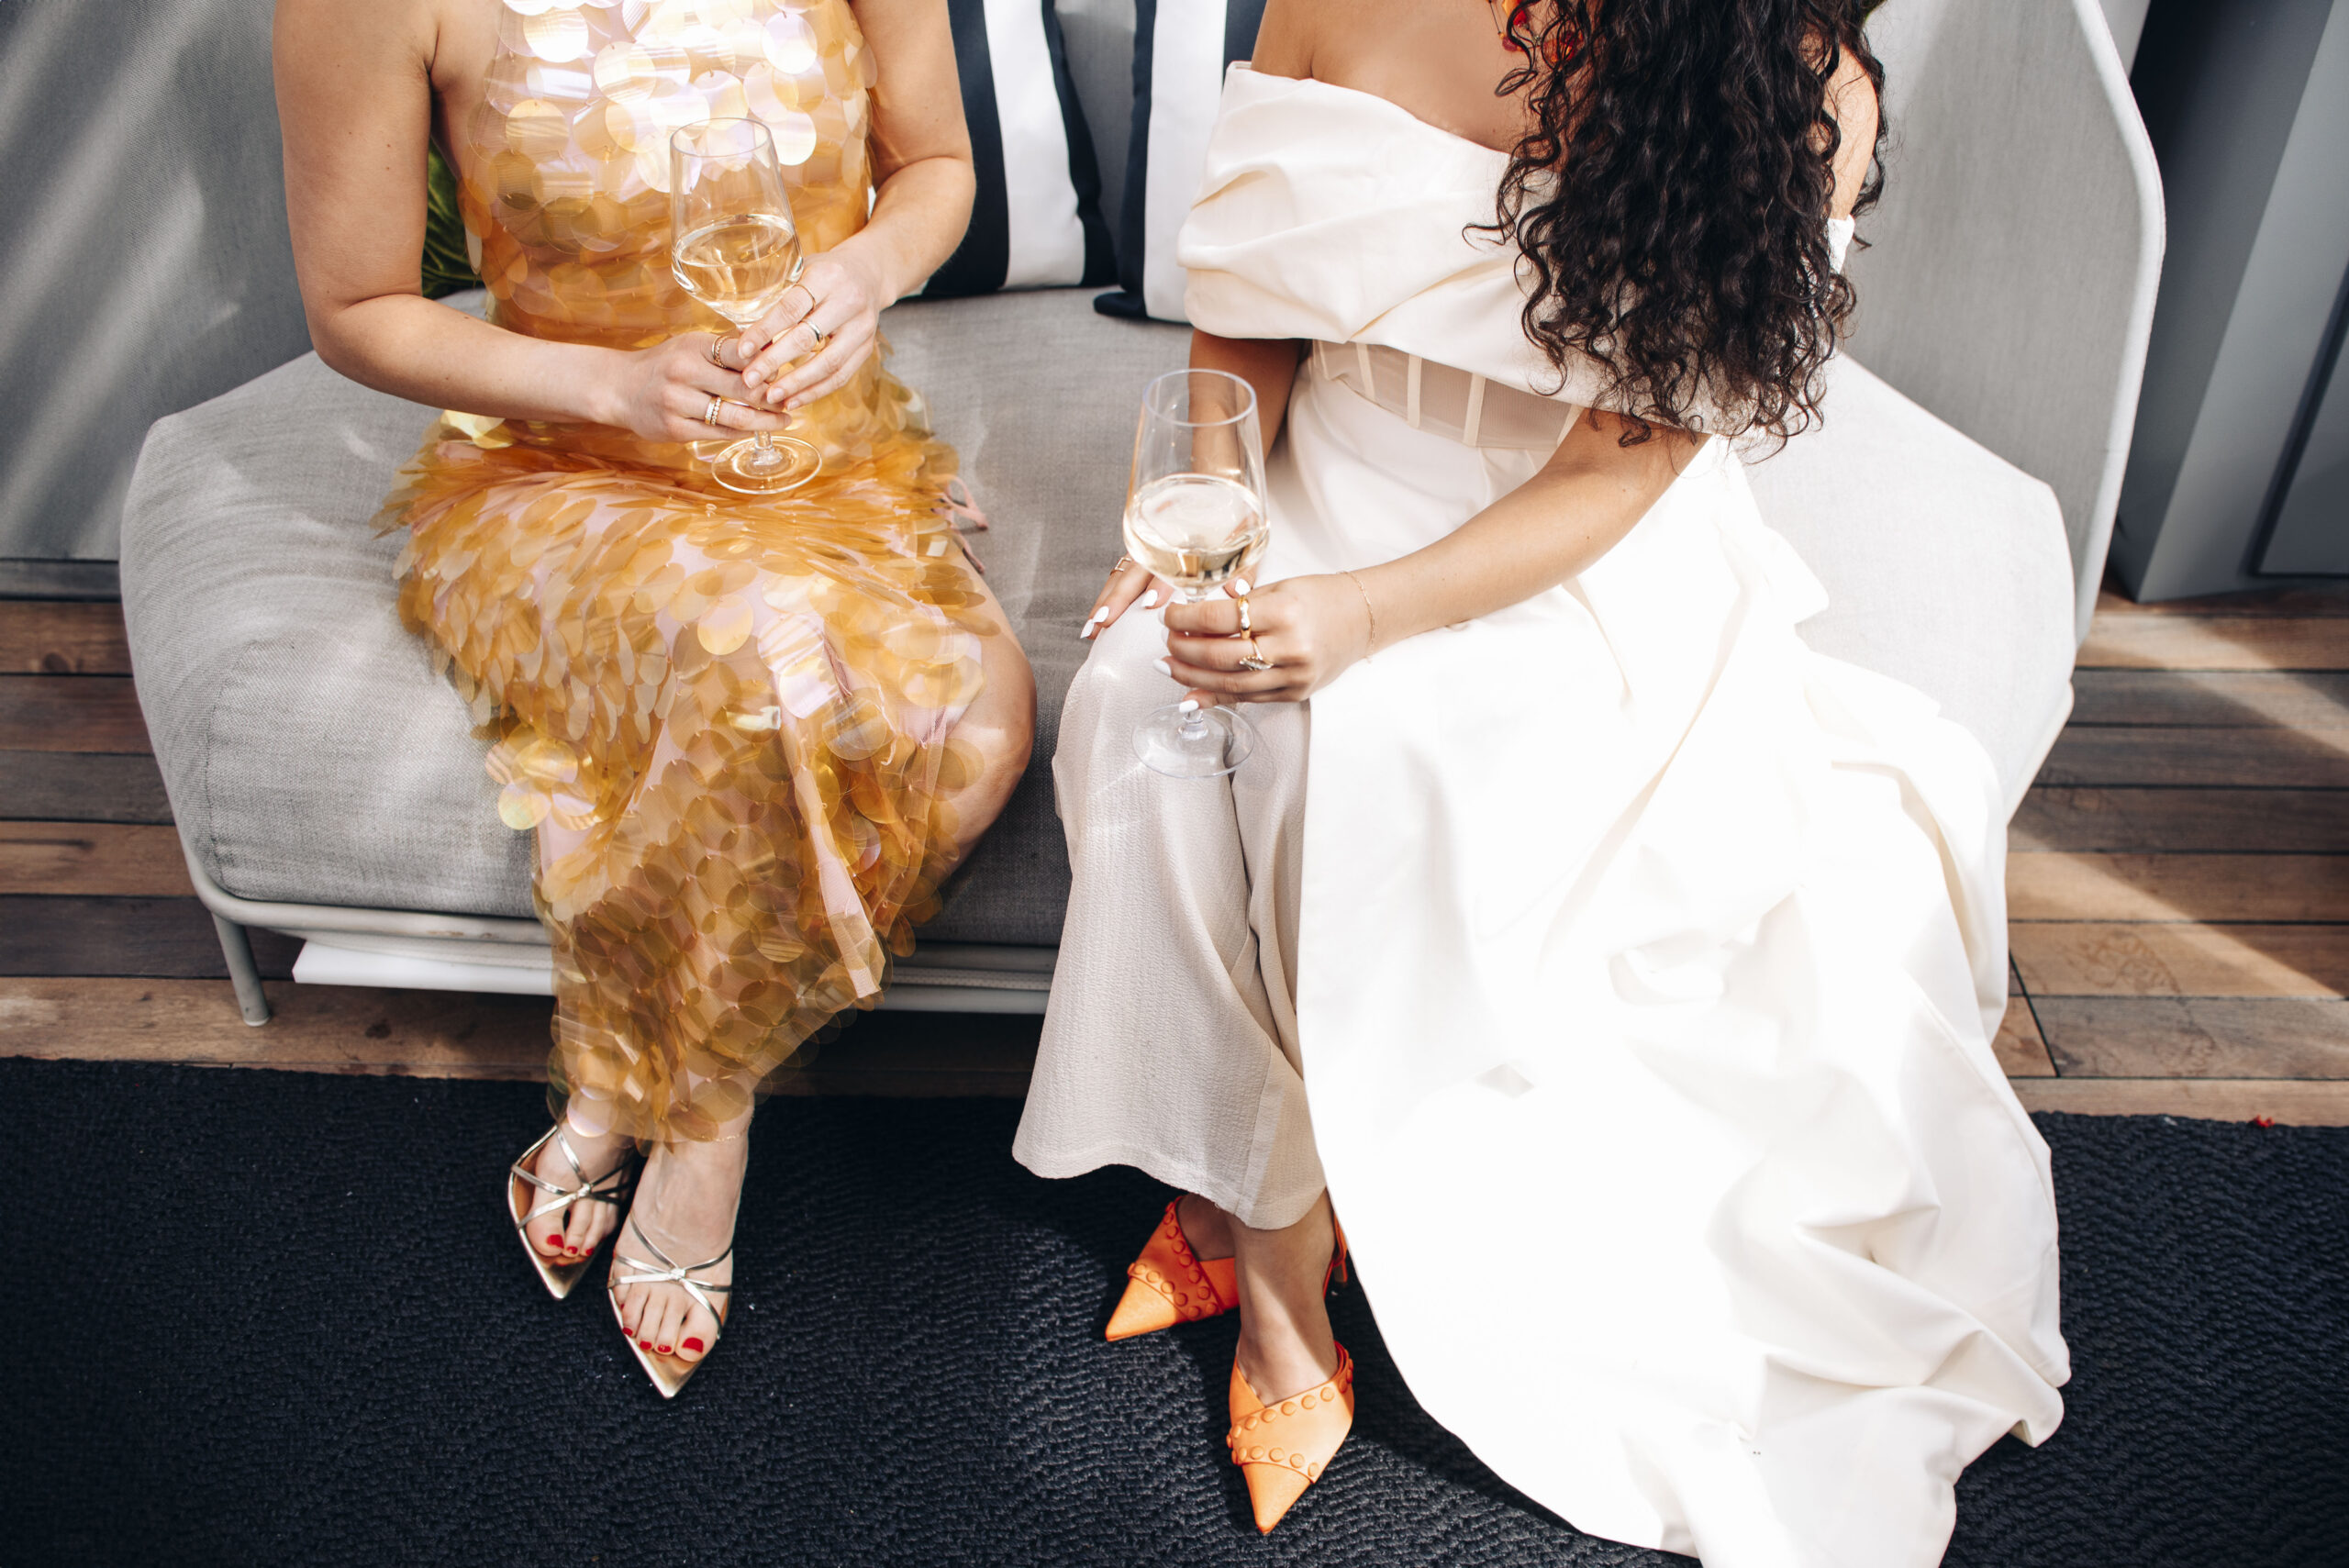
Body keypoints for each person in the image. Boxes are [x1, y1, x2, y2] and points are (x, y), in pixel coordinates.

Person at [1017, 0, 2066, 1557]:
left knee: (1354, 761)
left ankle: (1282, 1269)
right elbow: (1252, 303)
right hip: (1325, 477)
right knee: (1132, 705)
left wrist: (1357, 618)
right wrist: (1202, 499)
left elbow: (1621, 466)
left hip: (1546, 557)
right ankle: (1273, 1204)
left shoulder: (1793, 86)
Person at [276, 0, 1034, 1396]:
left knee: (982, 734)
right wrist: (613, 384)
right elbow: (353, 306)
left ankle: (627, 1080)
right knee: (753, 669)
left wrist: (864, 275)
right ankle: (709, 1118)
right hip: (571, 462)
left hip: (816, 439)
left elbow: (938, 167)